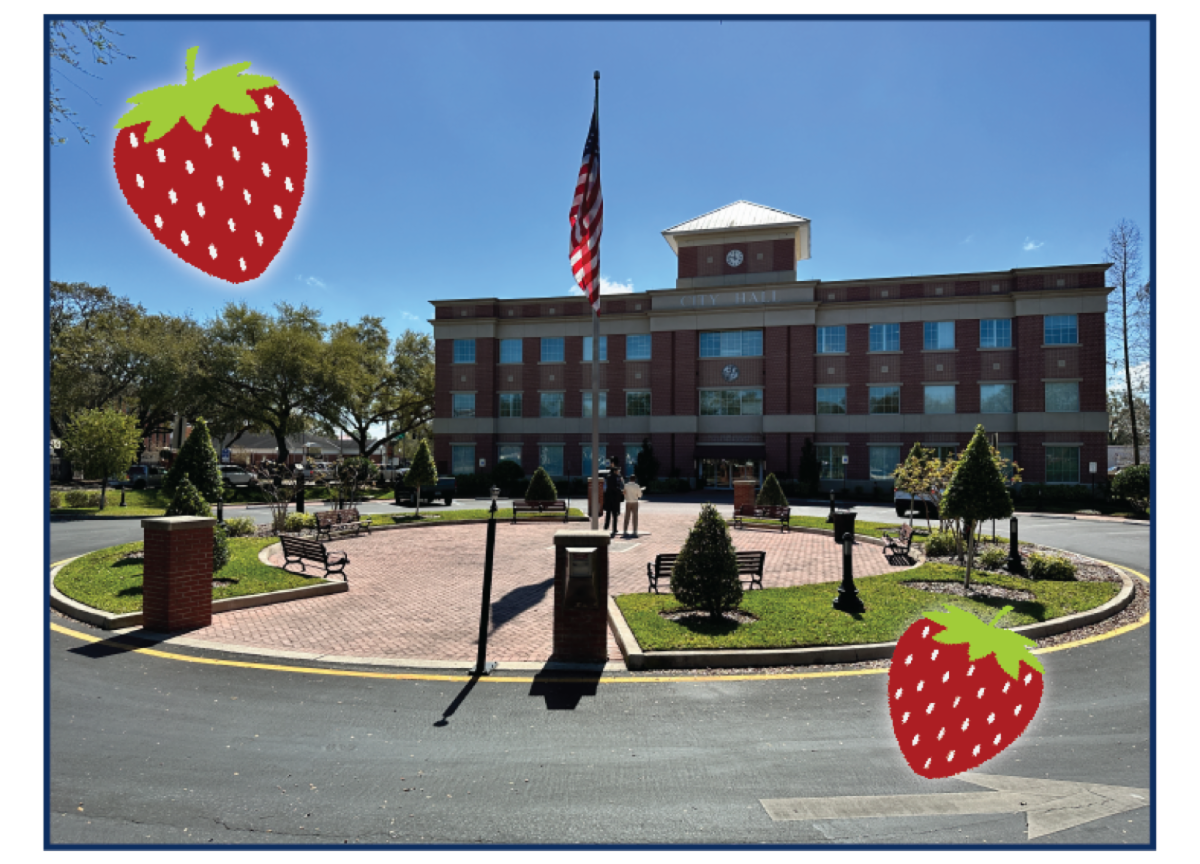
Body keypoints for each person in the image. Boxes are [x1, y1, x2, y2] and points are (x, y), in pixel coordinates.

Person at [602, 464, 624, 536]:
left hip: (609, 498)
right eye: (617, 470)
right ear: (615, 471)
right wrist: (620, 491)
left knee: (608, 514)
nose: (618, 472)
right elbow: (614, 487)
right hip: (614, 498)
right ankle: (614, 528)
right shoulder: (614, 477)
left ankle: (606, 527)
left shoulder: (610, 477)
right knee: (614, 514)